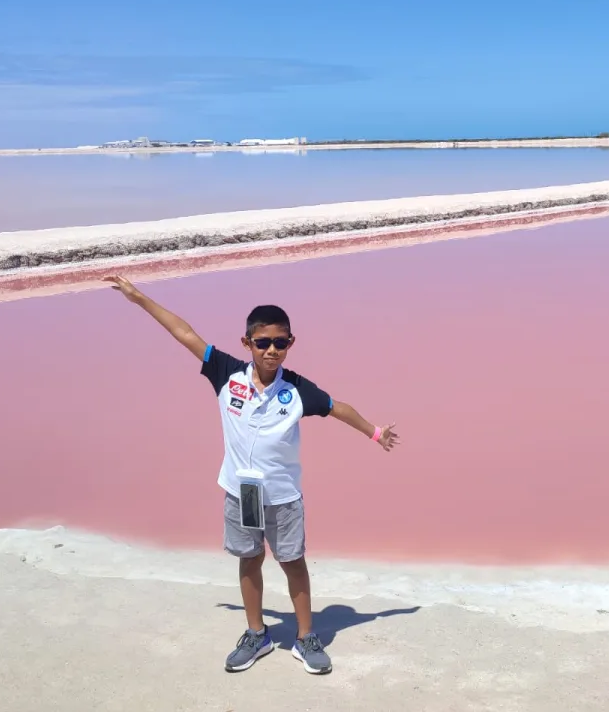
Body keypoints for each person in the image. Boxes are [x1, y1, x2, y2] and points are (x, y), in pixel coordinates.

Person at [104, 275, 400, 675]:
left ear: (291, 343)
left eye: (280, 342)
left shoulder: (297, 390)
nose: (272, 350)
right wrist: (138, 298)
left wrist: (375, 432)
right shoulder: (226, 373)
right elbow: (183, 333)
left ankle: (306, 637)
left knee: (293, 562)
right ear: (248, 344)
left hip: (283, 496)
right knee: (250, 559)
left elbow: (338, 407)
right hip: (241, 492)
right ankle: (257, 633)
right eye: (263, 343)